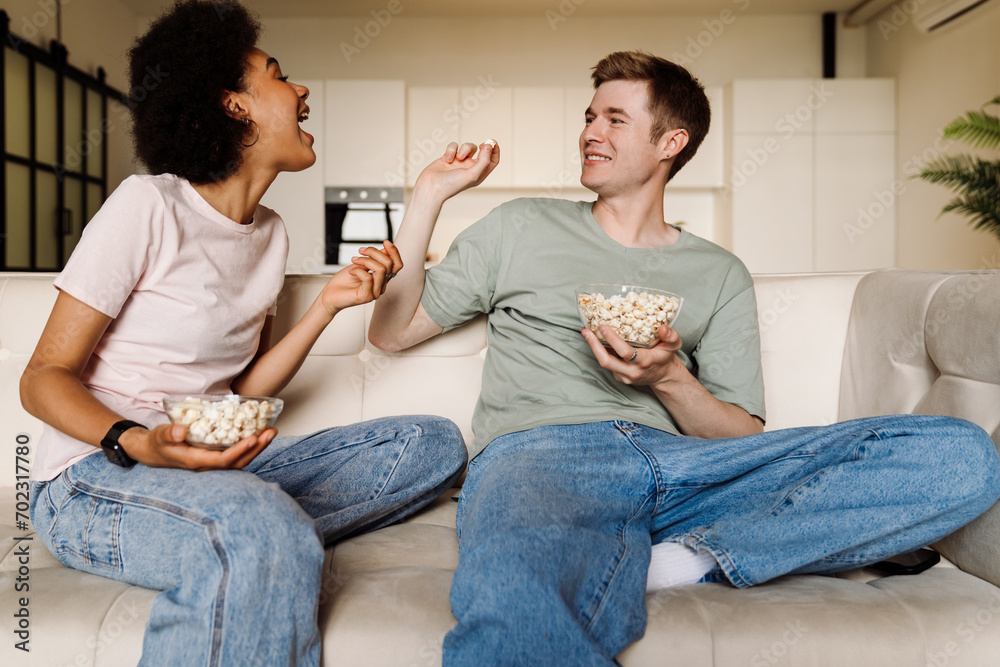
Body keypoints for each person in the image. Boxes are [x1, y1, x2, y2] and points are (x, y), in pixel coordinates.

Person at [368, 50, 1000, 665]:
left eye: (615, 120)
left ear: (670, 143)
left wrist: (668, 377)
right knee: (517, 602)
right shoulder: (518, 227)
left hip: (690, 469)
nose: (592, 132)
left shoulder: (718, 273)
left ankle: (689, 559)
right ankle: (672, 553)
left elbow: (740, 433)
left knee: (959, 455)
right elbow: (391, 333)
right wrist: (429, 194)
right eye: (590, 116)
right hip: (542, 458)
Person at [20, 1, 466, 665]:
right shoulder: (148, 206)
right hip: (96, 474)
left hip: (221, 457)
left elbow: (243, 386)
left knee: (430, 444)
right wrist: (139, 442)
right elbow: (42, 378)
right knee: (263, 526)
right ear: (234, 106)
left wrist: (327, 307)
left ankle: (234, 520)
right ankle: (250, 528)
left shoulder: (271, 232)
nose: (302, 90)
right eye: (280, 76)